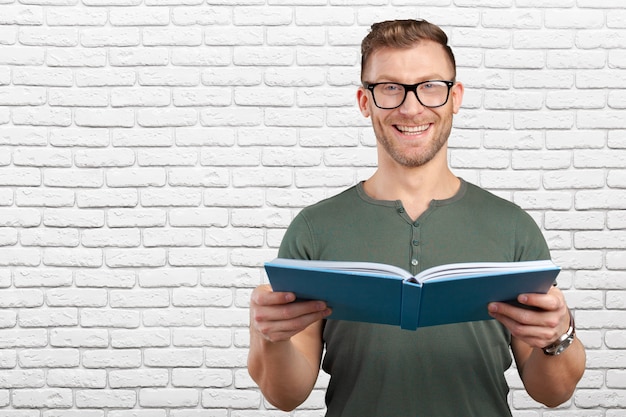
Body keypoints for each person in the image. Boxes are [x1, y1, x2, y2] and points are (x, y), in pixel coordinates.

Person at [247, 19, 586, 417]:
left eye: (430, 86)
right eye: (390, 88)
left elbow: (553, 393)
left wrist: (558, 336)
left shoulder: (513, 228)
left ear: (455, 97)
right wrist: (268, 337)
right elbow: (286, 396)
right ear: (364, 101)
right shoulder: (313, 230)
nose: (411, 107)